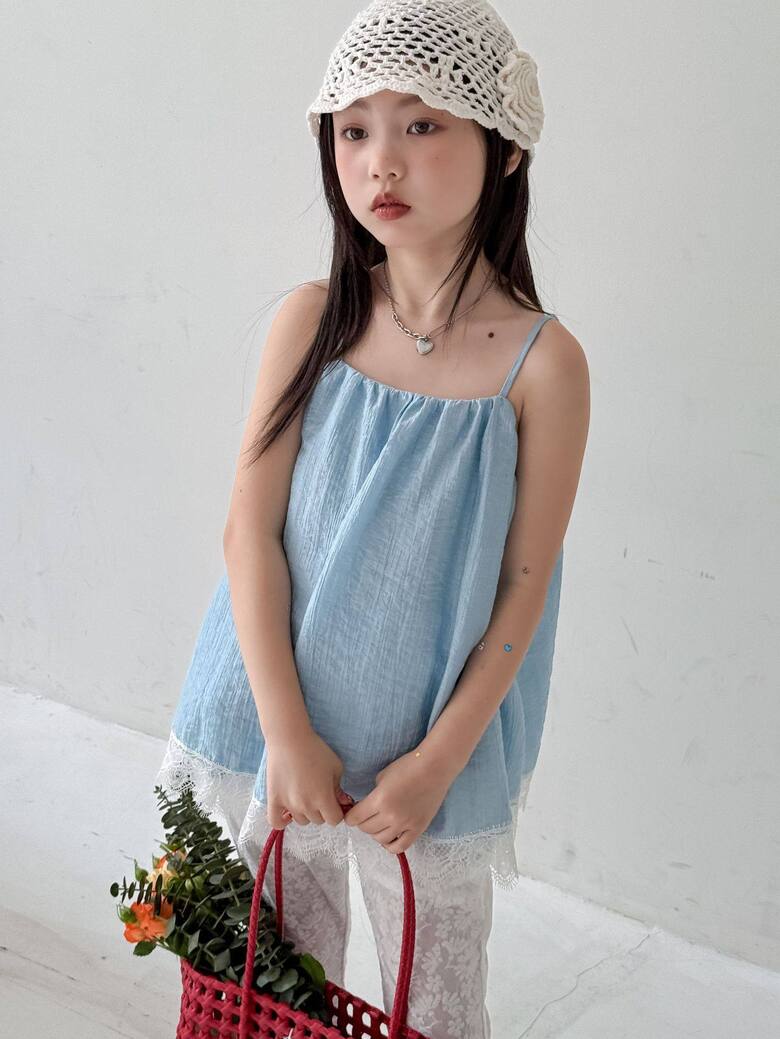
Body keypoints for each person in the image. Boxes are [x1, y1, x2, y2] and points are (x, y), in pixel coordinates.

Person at [155, 1, 590, 1036]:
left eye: (421, 123)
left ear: (506, 147)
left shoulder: (544, 365)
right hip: (278, 722)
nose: (380, 161)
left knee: (434, 1000)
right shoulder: (313, 320)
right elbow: (248, 533)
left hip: (429, 752)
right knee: (272, 990)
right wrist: (286, 733)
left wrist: (437, 763)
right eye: (353, 130)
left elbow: (524, 587)